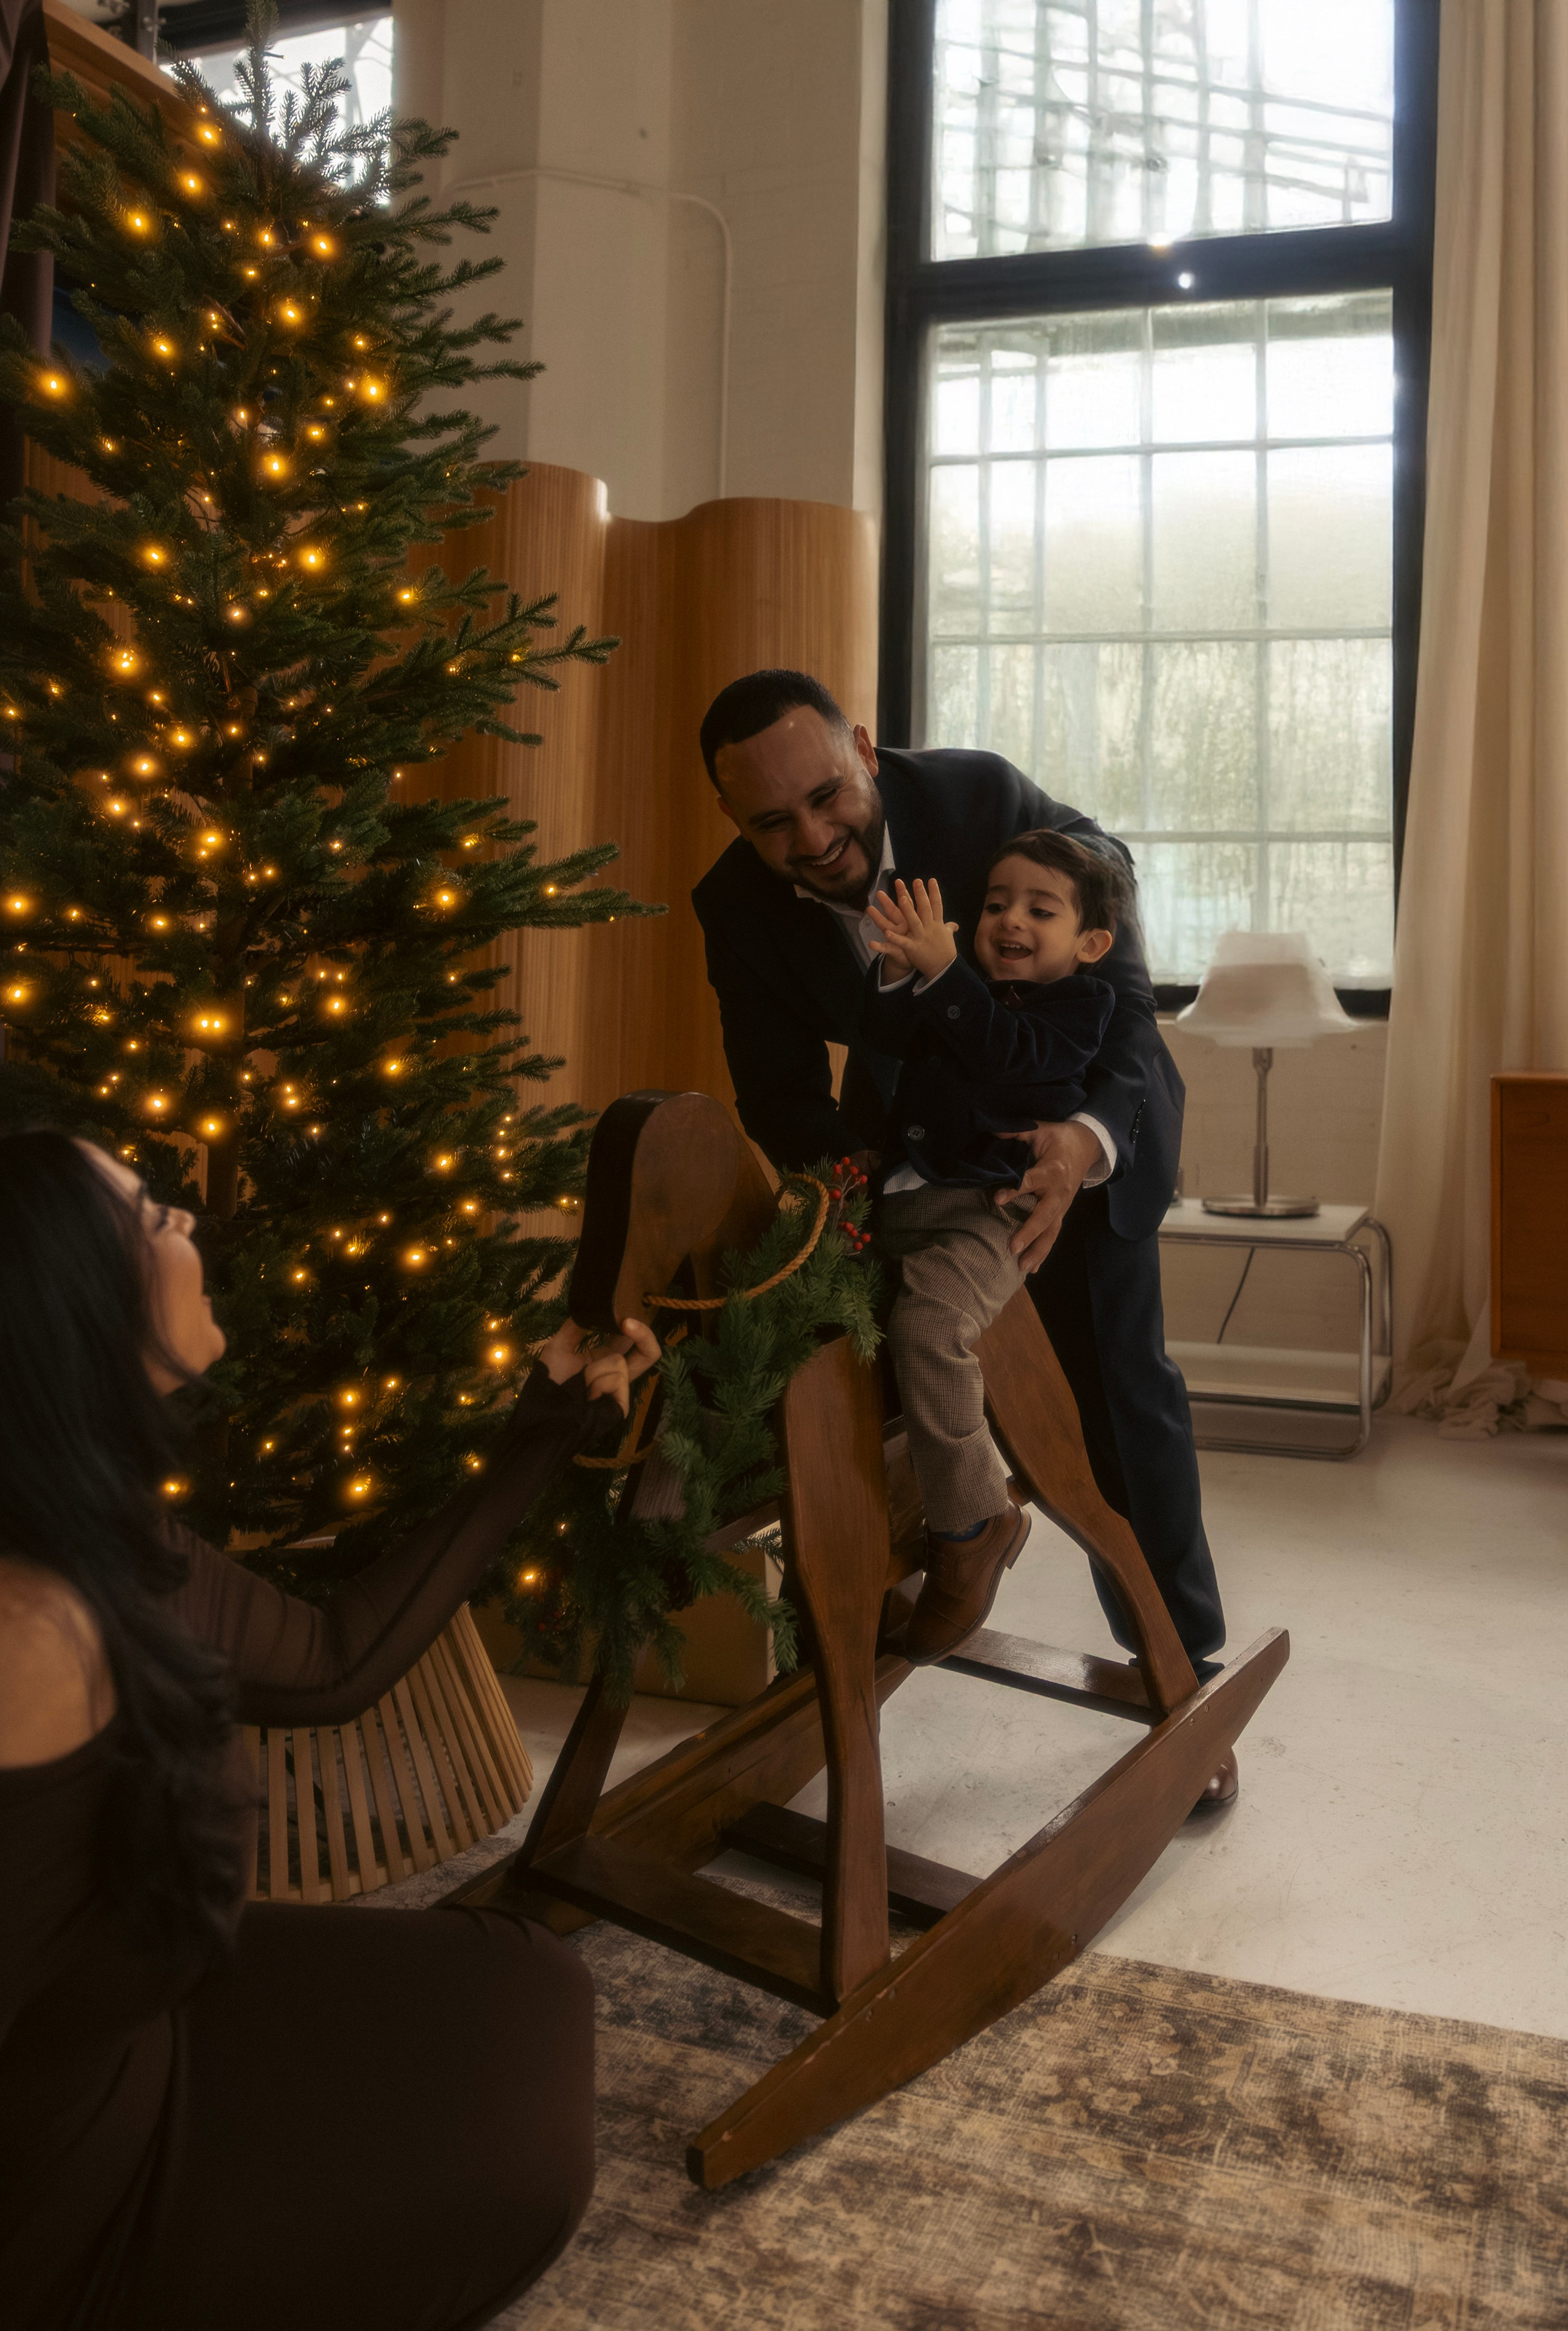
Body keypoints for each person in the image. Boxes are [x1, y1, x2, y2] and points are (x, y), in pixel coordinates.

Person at [0, 1129, 660, 2331]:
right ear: (73, 1310)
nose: (189, 1225)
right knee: (507, 2174)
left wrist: (548, 1419)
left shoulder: (90, 1525)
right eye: (151, 1217)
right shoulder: (27, 1644)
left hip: (145, 2024)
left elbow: (330, 1664)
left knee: (519, 1978)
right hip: (71, 2220)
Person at [692, 669, 1234, 1809]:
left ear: (865, 749)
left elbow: (1120, 977)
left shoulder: (979, 797)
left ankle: (1180, 1673)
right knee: (858, 1378)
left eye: (828, 797)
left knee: (1116, 1407)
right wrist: (854, 1207)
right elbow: (779, 1095)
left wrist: (1086, 1140)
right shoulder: (734, 904)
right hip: (916, 1149)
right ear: (732, 819)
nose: (814, 839)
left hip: (1074, 1124)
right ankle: (894, 1604)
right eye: (772, 822)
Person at [864, 836, 1122, 1662]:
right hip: (898, 1200)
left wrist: (944, 975)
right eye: (996, 904)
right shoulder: (958, 989)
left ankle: (973, 1522)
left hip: (988, 1210)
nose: (1010, 920)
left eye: (1040, 910)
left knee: (927, 1328)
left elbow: (1008, 1056)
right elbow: (888, 1036)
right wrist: (901, 970)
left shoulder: (1079, 1008)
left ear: (1090, 943)